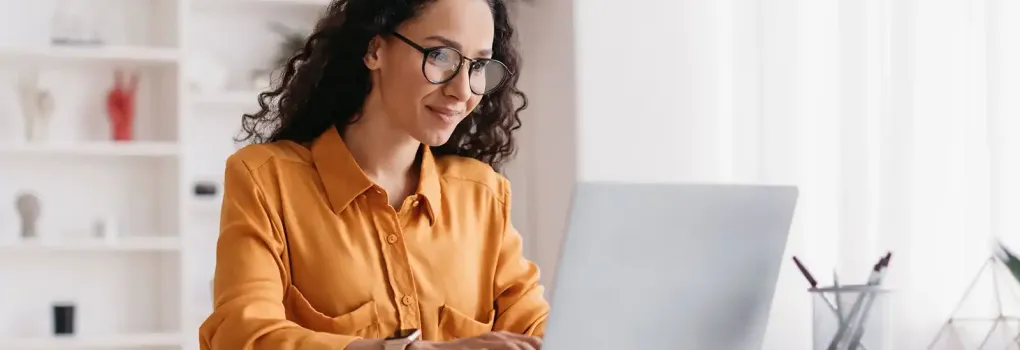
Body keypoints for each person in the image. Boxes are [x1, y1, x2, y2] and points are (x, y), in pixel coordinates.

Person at [197, 0, 549, 349]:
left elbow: (541, 329)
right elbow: (242, 335)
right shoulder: (266, 179)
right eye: (441, 55)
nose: (462, 90)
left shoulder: (482, 193)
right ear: (375, 50)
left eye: (478, 66)